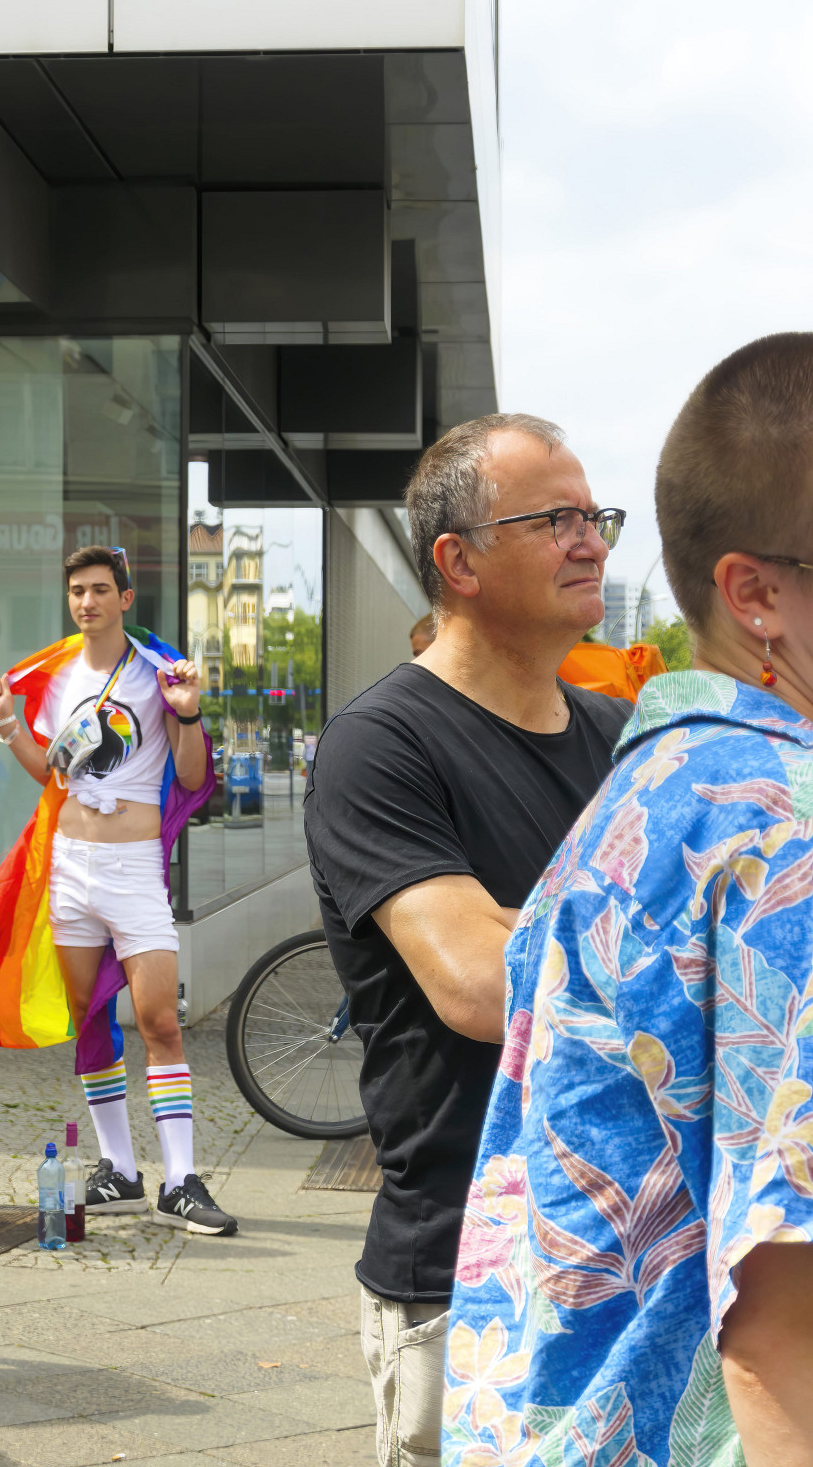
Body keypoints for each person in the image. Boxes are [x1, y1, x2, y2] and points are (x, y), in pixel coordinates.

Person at [444, 334, 813, 1467]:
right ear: (755, 593)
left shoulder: (651, 783)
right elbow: (781, 1329)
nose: (581, 543)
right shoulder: (780, 832)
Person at [304, 415, 630, 1467]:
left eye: (596, 517)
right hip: (471, 1279)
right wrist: (669, 937)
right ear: (458, 561)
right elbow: (484, 986)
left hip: (635, 1263)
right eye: (556, 520)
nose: (590, 542)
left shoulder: (619, 739)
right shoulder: (379, 746)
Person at [0, 545, 235, 1235]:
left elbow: (192, 774)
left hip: (133, 868)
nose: (86, 602)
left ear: (124, 598)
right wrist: (5, 724)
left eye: (99, 590)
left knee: (159, 1022)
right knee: (90, 1017)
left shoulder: (157, 673)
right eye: (77, 591)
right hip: (70, 866)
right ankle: (119, 1170)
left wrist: (188, 713)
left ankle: (181, 1180)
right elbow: (51, 773)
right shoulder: (57, 679)